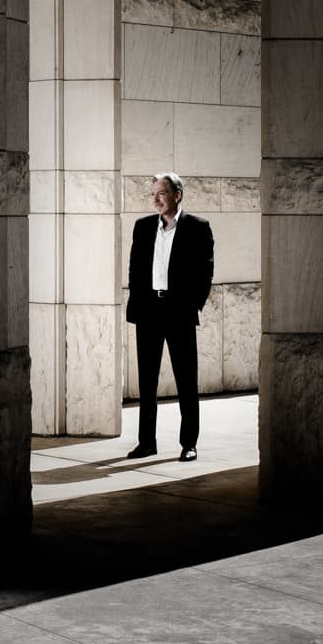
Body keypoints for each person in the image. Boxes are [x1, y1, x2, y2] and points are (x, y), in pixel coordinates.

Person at [125, 173, 214, 461]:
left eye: (161, 193)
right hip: (149, 311)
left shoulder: (197, 227)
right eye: (153, 193)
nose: (155, 199)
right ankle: (146, 442)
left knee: (186, 380)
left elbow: (205, 273)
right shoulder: (143, 227)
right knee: (147, 383)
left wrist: (192, 307)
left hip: (179, 313)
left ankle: (189, 443)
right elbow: (135, 271)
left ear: (177, 195)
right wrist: (136, 306)